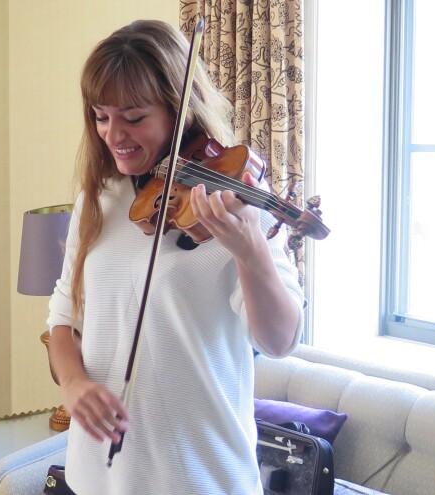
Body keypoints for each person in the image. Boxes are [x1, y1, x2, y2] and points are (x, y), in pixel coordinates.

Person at [46, 19, 304, 494]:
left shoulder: (237, 207)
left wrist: (251, 255)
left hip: (201, 477)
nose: (113, 134)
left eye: (133, 117)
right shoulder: (98, 199)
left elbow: (280, 339)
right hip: (97, 476)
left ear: (179, 109)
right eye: (101, 116)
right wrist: (74, 386)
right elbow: (63, 318)